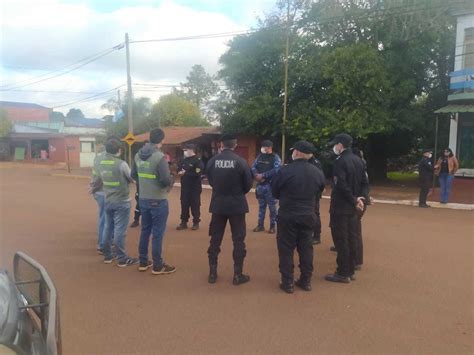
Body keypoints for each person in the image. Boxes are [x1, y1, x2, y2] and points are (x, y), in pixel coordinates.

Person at [271, 141, 325, 293]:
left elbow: (275, 191)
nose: (292, 153)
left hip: (288, 215)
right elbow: (319, 192)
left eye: (293, 150)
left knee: (286, 249)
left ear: (297, 152)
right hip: (308, 214)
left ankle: (287, 282)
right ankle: (306, 280)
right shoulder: (317, 172)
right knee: (306, 249)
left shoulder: (284, 171)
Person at [205, 134, 253, 285]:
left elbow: (211, 180)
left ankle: (212, 274)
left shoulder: (213, 161)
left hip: (218, 205)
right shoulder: (241, 162)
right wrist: (237, 193)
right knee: (238, 240)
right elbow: (248, 184)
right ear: (235, 145)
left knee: (215, 240)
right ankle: (237, 275)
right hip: (237, 205)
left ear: (221, 145)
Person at [325, 133, 369, 283]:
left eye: (335, 144)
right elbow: (365, 183)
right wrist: (361, 198)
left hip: (341, 206)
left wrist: (354, 199)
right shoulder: (358, 160)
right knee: (351, 238)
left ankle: (343, 272)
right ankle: (350, 270)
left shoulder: (340, 162)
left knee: (341, 240)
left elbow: (341, 185)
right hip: (354, 207)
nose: (334, 147)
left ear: (340, 145)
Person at [132, 128, 176, 275]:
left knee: (145, 231)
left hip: (143, 198)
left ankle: (143, 262)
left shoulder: (138, 155)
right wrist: (170, 182)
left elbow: (134, 175)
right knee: (157, 234)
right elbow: (165, 179)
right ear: (161, 140)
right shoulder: (159, 157)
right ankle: (158, 265)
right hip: (158, 200)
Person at [91, 137, 138, 267]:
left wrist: (92, 189)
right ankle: (122, 258)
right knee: (120, 230)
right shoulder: (121, 164)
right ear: (119, 150)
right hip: (122, 201)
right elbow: (132, 178)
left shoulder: (100, 162)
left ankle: (107, 255)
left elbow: (98, 180)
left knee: (108, 227)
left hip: (108, 199)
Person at [251, 140, 281, 234]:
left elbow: (276, 170)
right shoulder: (260, 156)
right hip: (260, 186)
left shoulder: (275, 157)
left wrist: (263, 175)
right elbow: (253, 167)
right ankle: (260, 225)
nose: (263, 148)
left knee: (272, 208)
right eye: (262, 146)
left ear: (270, 147)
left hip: (271, 186)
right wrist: (256, 175)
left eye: (265, 146)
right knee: (261, 207)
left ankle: (272, 226)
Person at [176, 144, 204, 231]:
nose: (185, 151)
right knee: (184, 204)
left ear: (191, 150)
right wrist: (179, 172)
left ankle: (196, 222)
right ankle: (183, 222)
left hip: (194, 188)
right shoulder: (182, 160)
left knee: (195, 204)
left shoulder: (198, 161)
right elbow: (178, 169)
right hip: (185, 187)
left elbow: (198, 174)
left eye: (186, 150)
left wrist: (185, 173)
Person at [130, 140, 149, 228]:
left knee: (150, 204)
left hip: (151, 187)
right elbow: (133, 172)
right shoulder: (138, 157)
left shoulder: (156, 157)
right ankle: (136, 220)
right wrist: (138, 180)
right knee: (139, 203)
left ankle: (147, 221)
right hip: (141, 186)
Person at [91, 148, 106, 254]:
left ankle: (105, 242)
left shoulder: (97, 158)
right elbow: (100, 177)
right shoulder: (107, 159)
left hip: (98, 192)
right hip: (104, 191)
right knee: (105, 219)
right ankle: (102, 244)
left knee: (103, 217)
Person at [308, 154, 324, 245]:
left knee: (315, 213)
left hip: (314, 193)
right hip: (307, 193)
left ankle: (317, 236)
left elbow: (321, 180)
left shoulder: (315, 163)